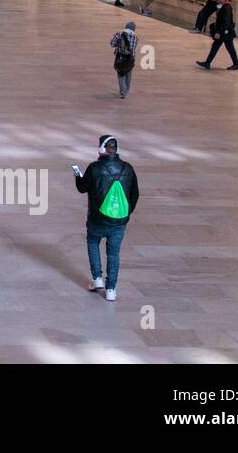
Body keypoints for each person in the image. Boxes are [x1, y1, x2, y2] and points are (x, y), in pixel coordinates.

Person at [74, 135, 140, 302]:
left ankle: (97, 280)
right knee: (114, 253)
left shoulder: (94, 168)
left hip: (97, 219)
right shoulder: (128, 168)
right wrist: (126, 213)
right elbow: (135, 194)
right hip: (119, 222)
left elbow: (82, 188)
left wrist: (77, 176)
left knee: (92, 242)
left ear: (102, 149)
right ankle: (111, 289)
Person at [196, 0, 238, 70]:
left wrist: (219, 32)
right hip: (225, 32)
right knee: (216, 47)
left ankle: (236, 64)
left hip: (225, 33)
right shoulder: (222, 6)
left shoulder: (227, 8)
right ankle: (208, 63)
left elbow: (226, 21)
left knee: (229, 48)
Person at [110, 20, 137, 99]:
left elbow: (112, 44)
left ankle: (123, 92)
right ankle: (126, 91)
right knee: (128, 75)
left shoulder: (120, 34)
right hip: (131, 59)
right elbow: (133, 49)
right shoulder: (135, 37)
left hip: (121, 57)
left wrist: (115, 38)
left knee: (121, 74)